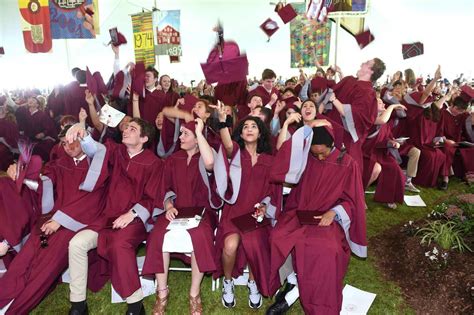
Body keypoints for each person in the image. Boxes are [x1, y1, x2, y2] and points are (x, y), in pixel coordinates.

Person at [0, 125, 109, 315]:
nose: (69, 146)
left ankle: (13, 308)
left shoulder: (96, 165)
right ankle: (3, 296)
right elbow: (43, 184)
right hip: (51, 224)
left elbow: (92, 201)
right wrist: (20, 176)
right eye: (65, 144)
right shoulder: (61, 164)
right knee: (30, 254)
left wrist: (60, 221)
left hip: (77, 225)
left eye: (73, 141)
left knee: (44, 266)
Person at [66, 118, 163, 315]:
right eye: (126, 128)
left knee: (120, 245)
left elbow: (153, 198)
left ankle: (136, 305)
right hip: (106, 217)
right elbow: (95, 151)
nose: (126, 130)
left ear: (144, 138)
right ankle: (78, 304)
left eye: (133, 129)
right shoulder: (116, 151)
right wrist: (83, 134)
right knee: (76, 243)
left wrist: (132, 213)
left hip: (134, 221)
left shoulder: (154, 163)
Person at [267, 125, 366, 314]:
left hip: (328, 218)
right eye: (315, 154)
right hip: (301, 213)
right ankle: (292, 281)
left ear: (332, 146)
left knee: (325, 250)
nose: (319, 158)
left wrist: (334, 212)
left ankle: (313, 297)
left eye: (323, 153)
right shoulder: (307, 159)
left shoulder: (347, 164)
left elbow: (353, 200)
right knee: (278, 236)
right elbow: (285, 169)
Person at [142, 118, 222, 315]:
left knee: (201, 235)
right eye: (181, 133)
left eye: (185, 134)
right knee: (157, 235)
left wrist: (200, 132)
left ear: (197, 139)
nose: (180, 137)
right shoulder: (173, 159)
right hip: (176, 210)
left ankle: (194, 294)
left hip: (203, 212)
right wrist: (168, 204)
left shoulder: (207, 156)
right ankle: (162, 292)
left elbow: (212, 166)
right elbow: (164, 187)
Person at [214, 113, 281, 309]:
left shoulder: (269, 160)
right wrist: (223, 122)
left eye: (253, 126)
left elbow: (272, 191)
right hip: (234, 212)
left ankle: (253, 282)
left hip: (256, 215)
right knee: (230, 246)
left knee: (254, 244)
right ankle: (228, 282)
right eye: (245, 127)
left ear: (260, 133)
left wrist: (265, 206)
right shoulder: (235, 154)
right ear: (241, 135)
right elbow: (227, 144)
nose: (249, 129)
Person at [326, 58, 386, 174]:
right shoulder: (348, 80)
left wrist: (334, 100)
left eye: (366, 63)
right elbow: (328, 96)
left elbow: (353, 115)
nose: (362, 63)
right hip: (330, 131)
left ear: (371, 71)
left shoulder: (368, 92)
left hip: (345, 139)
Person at [362, 99, 407, 209]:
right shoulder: (369, 118)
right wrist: (393, 106)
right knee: (375, 168)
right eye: (380, 103)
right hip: (367, 153)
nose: (384, 104)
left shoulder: (385, 121)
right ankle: (360, 194)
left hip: (381, 152)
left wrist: (394, 142)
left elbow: (388, 136)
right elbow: (380, 122)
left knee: (395, 168)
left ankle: (388, 198)